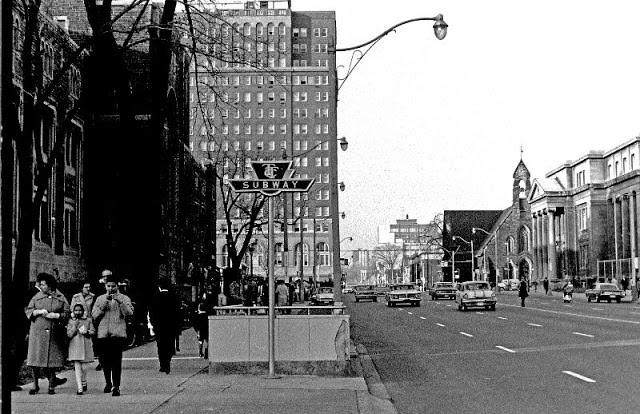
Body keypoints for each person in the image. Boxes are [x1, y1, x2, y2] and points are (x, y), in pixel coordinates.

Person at [25, 272, 70, 395]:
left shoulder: (60, 297)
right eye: (41, 284)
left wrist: (57, 315)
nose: (41, 286)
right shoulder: (36, 297)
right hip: (37, 333)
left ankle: (51, 385)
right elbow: (28, 310)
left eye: (44, 284)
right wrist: (37, 312)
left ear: (50, 285)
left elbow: (67, 313)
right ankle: (35, 385)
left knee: (51, 362)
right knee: (35, 361)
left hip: (54, 333)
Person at [92, 273, 134, 397]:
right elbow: (94, 315)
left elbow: (129, 313)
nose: (111, 288)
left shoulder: (124, 298)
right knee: (105, 361)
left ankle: (116, 386)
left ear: (117, 286)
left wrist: (120, 302)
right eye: (108, 286)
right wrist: (104, 305)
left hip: (117, 333)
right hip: (103, 333)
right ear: (105, 286)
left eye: (113, 286)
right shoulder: (100, 299)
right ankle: (108, 382)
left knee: (116, 361)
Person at [149, 279, 181, 374]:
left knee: (161, 345)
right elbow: (178, 312)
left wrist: (153, 323)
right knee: (170, 344)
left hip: (159, 325)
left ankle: (162, 364)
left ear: (159, 287)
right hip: (171, 325)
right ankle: (168, 362)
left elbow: (152, 312)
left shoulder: (155, 297)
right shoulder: (174, 297)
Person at [67, 303, 95, 395]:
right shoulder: (71, 321)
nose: (78, 312)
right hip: (75, 346)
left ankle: (84, 380)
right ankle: (79, 387)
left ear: (83, 311)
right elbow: (69, 334)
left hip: (86, 345)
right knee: (77, 367)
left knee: (84, 367)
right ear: (73, 311)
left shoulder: (88, 320)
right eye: (76, 310)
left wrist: (86, 332)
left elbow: (93, 332)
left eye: (80, 310)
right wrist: (75, 326)